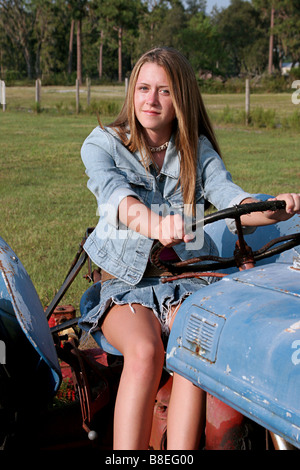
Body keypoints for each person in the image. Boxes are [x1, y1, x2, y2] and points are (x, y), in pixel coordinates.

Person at [79, 47, 300, 450]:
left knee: (196, 347)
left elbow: (232, 199)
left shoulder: (195, 150)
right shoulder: (103, 144)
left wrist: (274, 209)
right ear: (132, 92)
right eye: (143, 88)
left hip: (184, 281)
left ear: (181, 99)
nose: (150, 99)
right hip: (127, 284)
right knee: (146, 352)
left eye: (164, 91)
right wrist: (156, 225)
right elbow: (118, 198)